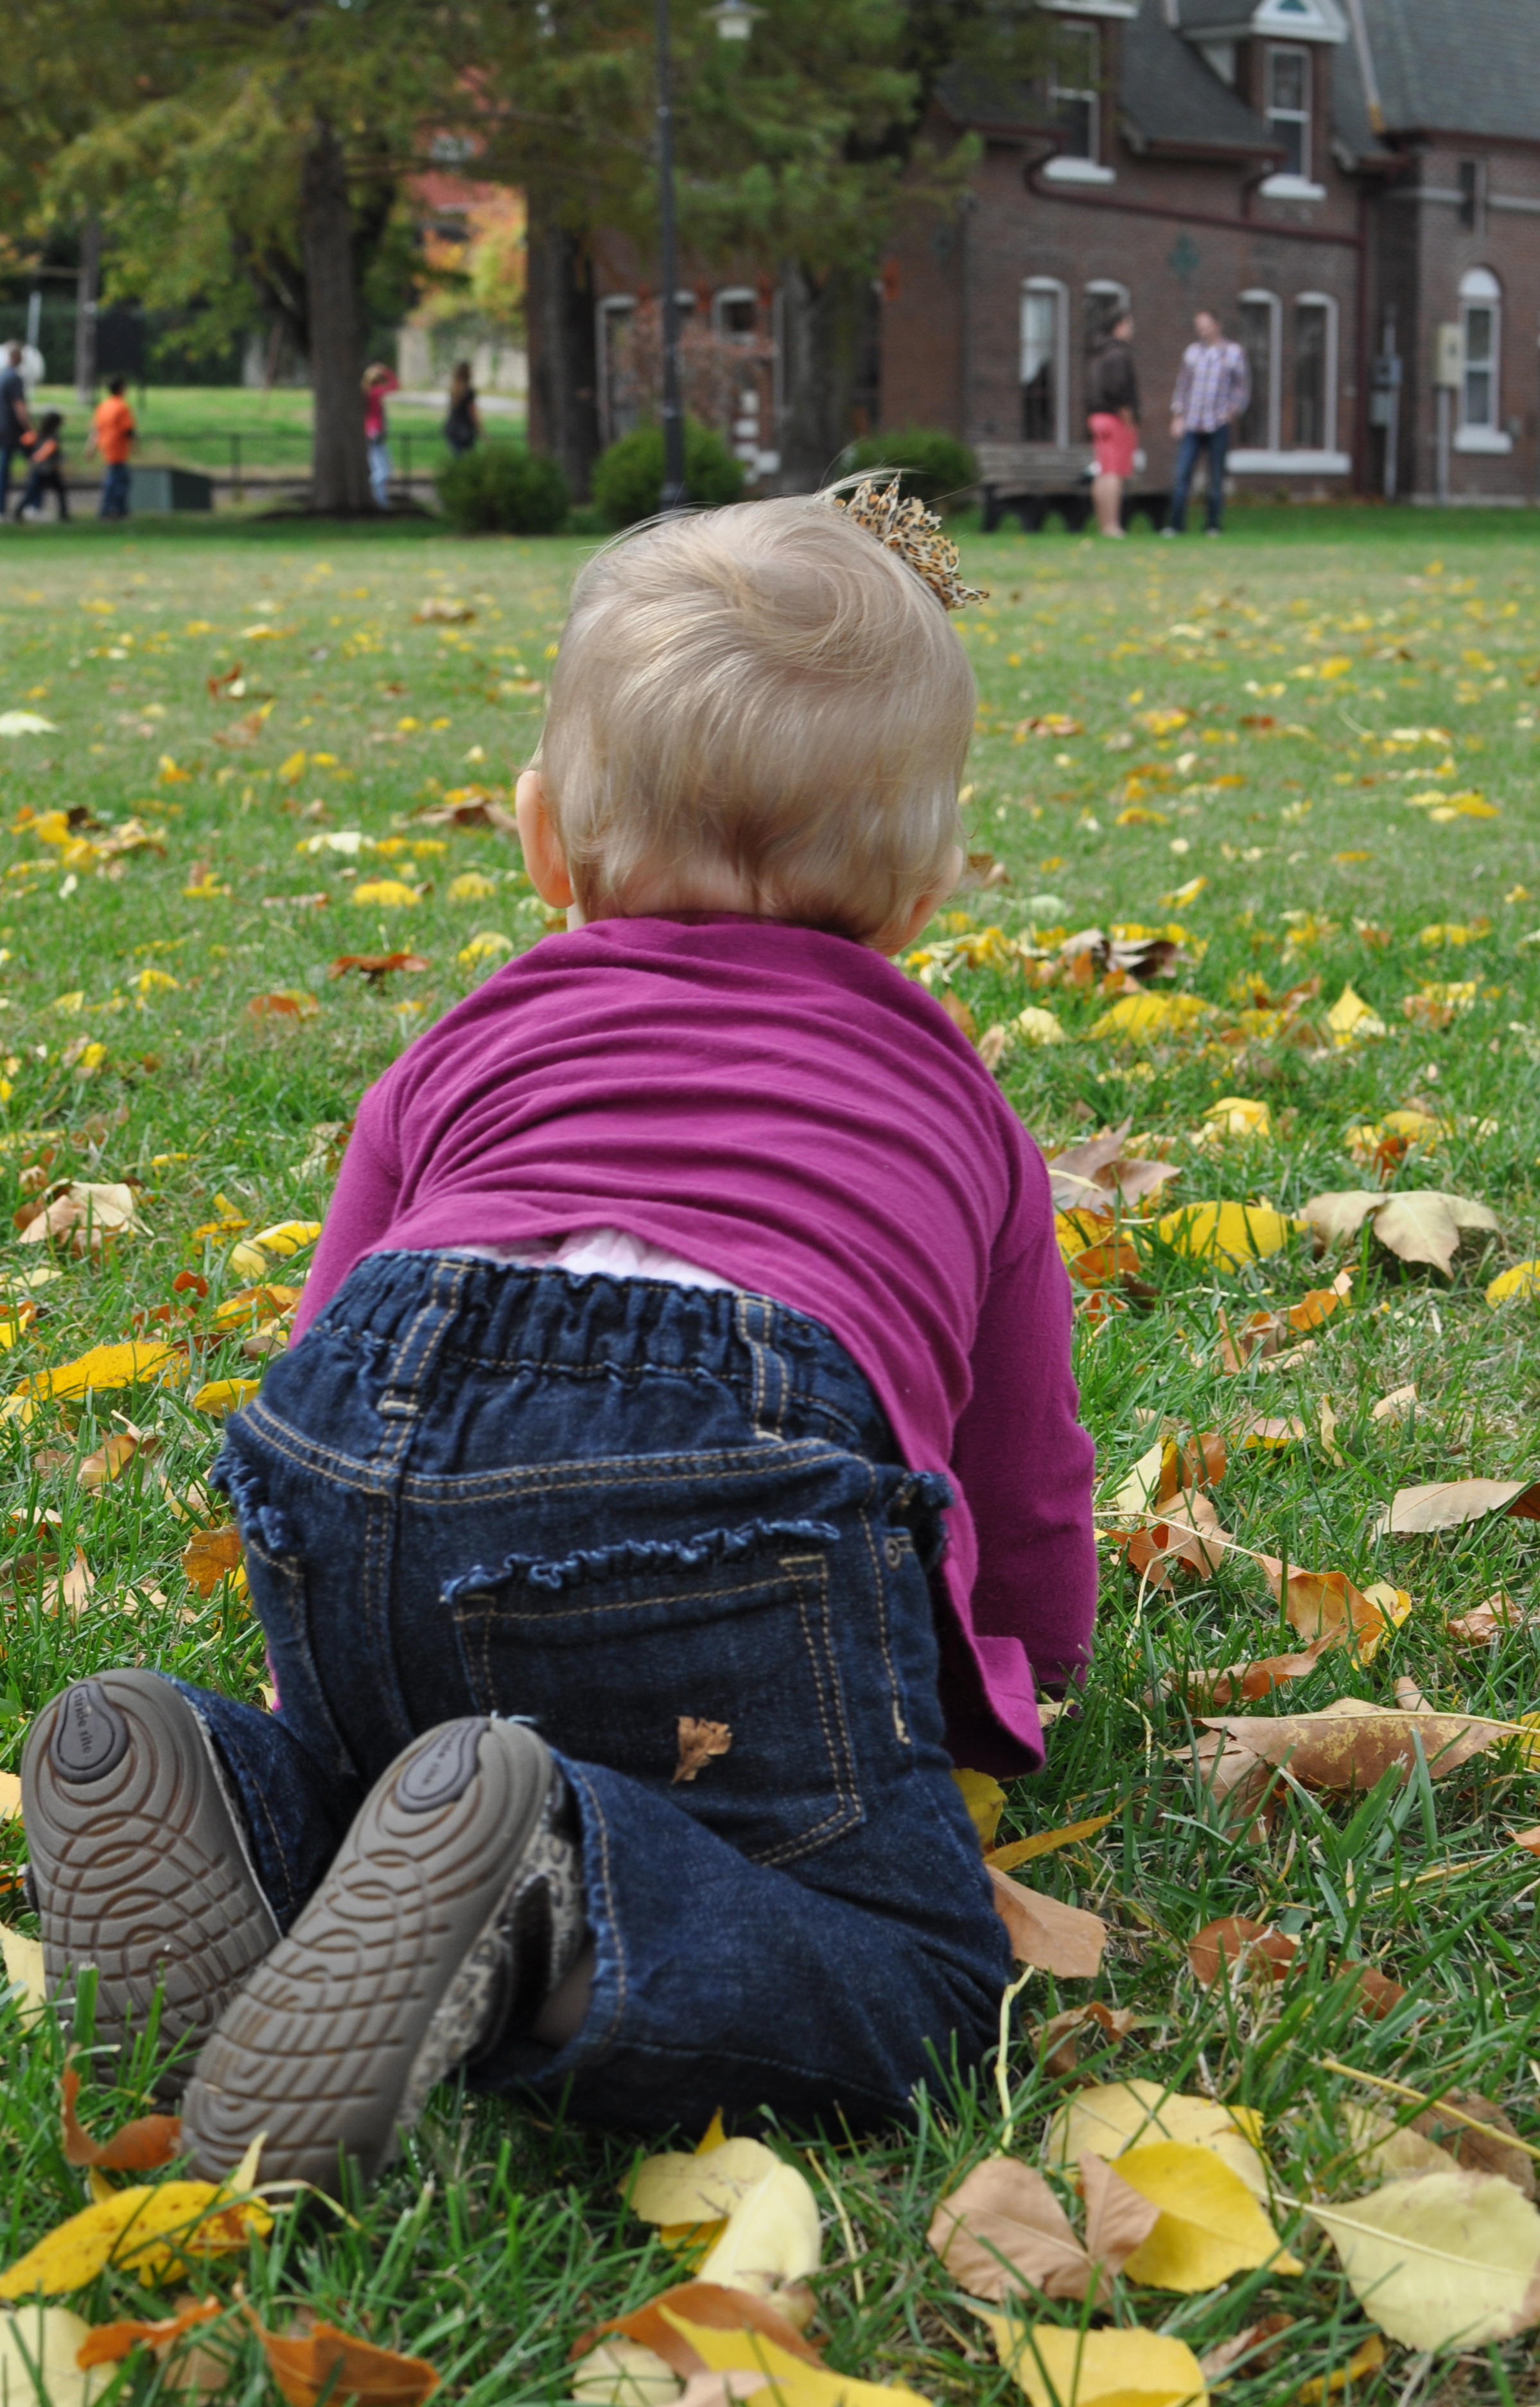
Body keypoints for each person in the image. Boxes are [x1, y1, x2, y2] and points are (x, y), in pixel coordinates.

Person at [22, 482, 1098, 2189]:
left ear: (541, 839)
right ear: (920, 893)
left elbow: (329, 1352)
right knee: (918, 1980)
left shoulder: (463, 1042)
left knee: (398, 1757)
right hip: (729, 1450)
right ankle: (548, 1896)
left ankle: (237, 1779)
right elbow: (1017, 1473)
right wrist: (1027, 1664)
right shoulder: (955, 1102)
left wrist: (318, 1656)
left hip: (369, 1427)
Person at [1164, 309, 1250, 536]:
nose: (1201, 329)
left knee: (1216, 477)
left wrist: (1231, 412)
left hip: (1217, 424)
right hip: (1192, 423)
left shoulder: (1233, 353)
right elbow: (1183, 385)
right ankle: (1176, 525)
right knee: (1182, 475)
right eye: (1198, 325)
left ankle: (1212, 524)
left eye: (1205, 324)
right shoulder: (1192, 352)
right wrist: (1178, 415)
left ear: (1217, 325)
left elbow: (1241, 387)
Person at [1087, 310, 1139, 540]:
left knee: (1102, 470)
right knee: (1114, 472)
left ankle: (1104, 524)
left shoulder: (1098, 353)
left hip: (1096, 417)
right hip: (1114, 417)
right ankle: (1112, 526)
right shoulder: (1117, 354)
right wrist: (1127, 416)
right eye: (1129, 324)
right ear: (1119, 325)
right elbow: (1117, 388)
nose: (1132, 329)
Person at [87, 375, 136, 519]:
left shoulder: (103, 406)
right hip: (118, 447)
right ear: (121, 389)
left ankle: (120, 510)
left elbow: (96, 430)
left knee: (120, 479)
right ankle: (110, 510)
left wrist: (91, 448)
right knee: (117, 481)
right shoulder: (122, 407)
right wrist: (135, 446)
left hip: (106, 446)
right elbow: (128, 430)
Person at [13, 409, 68, 522]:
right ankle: (18, 511)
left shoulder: (38, 434)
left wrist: (31, 455)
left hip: (42, 470)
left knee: (36, 492)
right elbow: (48, 450)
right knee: (53, 492)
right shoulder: (52, 437)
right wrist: (37, 457)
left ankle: (64, 514)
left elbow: (24, 441)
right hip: (46, 470)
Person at [0, 344, 31, 520]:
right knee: (38, 463)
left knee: (4, 468)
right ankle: (32, 502)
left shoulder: (2, 376)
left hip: (3, 429)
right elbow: (19, 406)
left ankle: (2, 506)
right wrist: (28, 428)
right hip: (15, 431)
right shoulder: (14, 379)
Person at [363, 361, 398, 507]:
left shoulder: (368, 393)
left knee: (383, 468)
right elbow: (395, 386)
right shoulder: (375, 393)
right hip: (375, 433)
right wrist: (386, 370)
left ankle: (381, 498)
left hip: (374, 433)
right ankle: (378, 498)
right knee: (382, 470)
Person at [444, 358, 479, 457]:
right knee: (468, 460)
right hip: (465, 431)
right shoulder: (469, 392)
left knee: (457, 458)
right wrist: (481, 431)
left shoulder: (453, 391)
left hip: (453, 430)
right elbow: (473, 414)